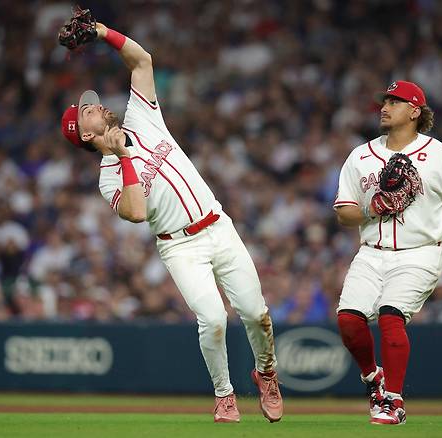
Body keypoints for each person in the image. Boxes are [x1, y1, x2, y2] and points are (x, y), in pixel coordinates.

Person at [59, 19, 282, 424]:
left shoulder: (140, 118)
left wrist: (101, 32)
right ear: (86, 135)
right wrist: (125, 157)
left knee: (256, 313)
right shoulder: (107, 178)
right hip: (180, 246)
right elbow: (137, 212)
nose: (93, 105)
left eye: (89, 103)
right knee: (212, 319)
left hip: (218, 225)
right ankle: (224, 395)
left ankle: (266, 373)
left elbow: (142, 61)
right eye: (85, 110)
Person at [333, 81, 442, 425]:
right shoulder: (361, 156)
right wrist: (374, 207)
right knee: (348, 322)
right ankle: (373, 379)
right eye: (385, 100)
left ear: (415, 111)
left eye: (395, 101)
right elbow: (342, 213)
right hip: (371, 252)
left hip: (421, 253)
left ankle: (393, 402)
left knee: (390, 316)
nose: (385, 106)